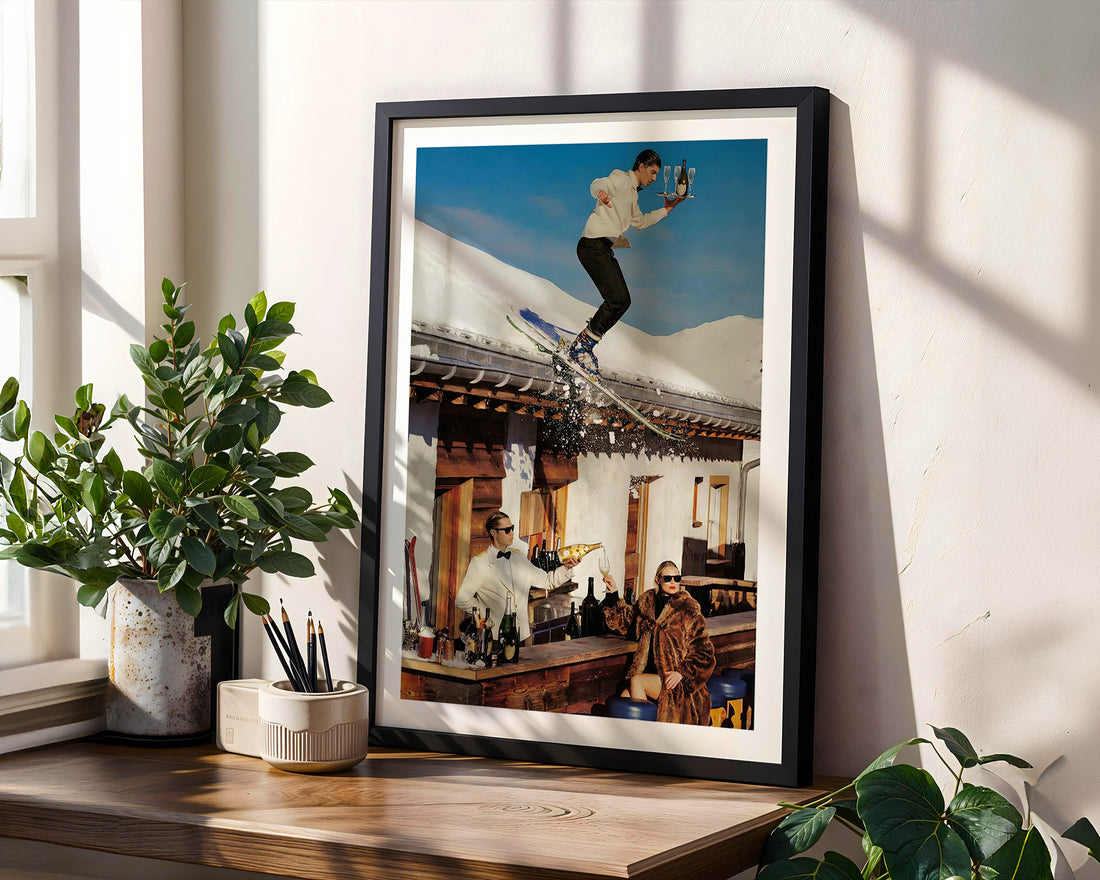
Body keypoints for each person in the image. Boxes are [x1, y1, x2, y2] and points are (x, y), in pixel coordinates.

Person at [567, 150, 686, 376]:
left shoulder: (633, 195)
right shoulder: (621, 179)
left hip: (601, 248)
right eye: (652, 172)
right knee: (618, 299)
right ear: (640, 166)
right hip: (592, 245)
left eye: (656, 174)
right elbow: (598, 183)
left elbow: (639, 222)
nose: (653, 178)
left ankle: (584, 345)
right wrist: (601, 193)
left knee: (622, 301)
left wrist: (667, 209)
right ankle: (581, 348)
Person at [602, 561, 715, 725]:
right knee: (624, 701)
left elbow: (705, 653)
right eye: (668, 578)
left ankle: (647, 739)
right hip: (651, 677)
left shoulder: (688, 610)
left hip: (676, 681)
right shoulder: (646, 604)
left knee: (637, 681)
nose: (673, 583)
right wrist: (613, 594)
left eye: (677, 578)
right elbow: (627, 624)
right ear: (657, 579)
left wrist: (682, 672)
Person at [454, 511, 577, 645]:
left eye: (512, 528)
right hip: (494, 636)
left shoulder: (519, 559)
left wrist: (567, 568)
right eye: (507, 530)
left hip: (520, 635)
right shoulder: (480, 563)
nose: (512, 533)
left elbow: (548, 581)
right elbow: (462, 599)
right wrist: (485, 612)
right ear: (493, 533)